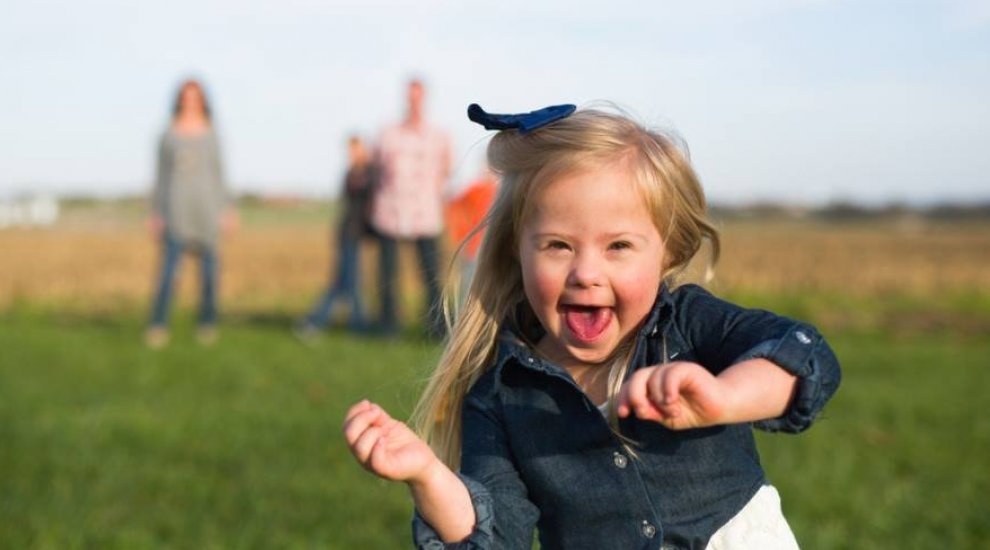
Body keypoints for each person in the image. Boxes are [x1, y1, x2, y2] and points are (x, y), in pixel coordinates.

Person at [343, 103, 842, 549]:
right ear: (517, 252)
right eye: (558, 246)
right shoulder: (501, 395)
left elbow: (802, 356)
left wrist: (726, 397)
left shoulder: (686, 325)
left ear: (666, 249)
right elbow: (496, 533)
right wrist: (428, 476)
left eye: (618, 247)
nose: (586, 273)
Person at [146, 78, 236, 348]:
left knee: (209, 275)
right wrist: (156, 212)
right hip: (176, 211)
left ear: (203, 100)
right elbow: (160, 176)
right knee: (168, 274)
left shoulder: (212, 133)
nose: (190, 101)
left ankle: (207, 324)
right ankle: (158, 325)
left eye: (195, 96)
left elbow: (220, 174)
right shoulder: (168, 134)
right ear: (179, 99)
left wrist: (227, 209)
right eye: (186, 96)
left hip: (207, 211)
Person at [369, 78, 452, 338]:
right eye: (410, 96)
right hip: (390, 213)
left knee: (430, 274)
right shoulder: (388, 133)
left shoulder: (438, 136)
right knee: (388, 274)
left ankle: (437, 328)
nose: (413, 101)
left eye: (418, 96)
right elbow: (376, 168)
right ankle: (388, 326)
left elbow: (446, 170)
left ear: (424, 98)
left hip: (425, 215)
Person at [297, 135, 376, 337]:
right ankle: (353, 325)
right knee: (347, 282)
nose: (353, 154)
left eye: (356, 149)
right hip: (348, 232)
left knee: (345, 282)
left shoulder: (369, 173)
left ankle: (318, 321)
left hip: (356, 232)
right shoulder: (351, 174)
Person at [444, 163, 497, 300]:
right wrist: (461, 233)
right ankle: (465, 317)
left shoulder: (503, 192)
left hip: (495, 251)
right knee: (469, 288)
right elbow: (454, 207)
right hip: (473, 249)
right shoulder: (474, 190)